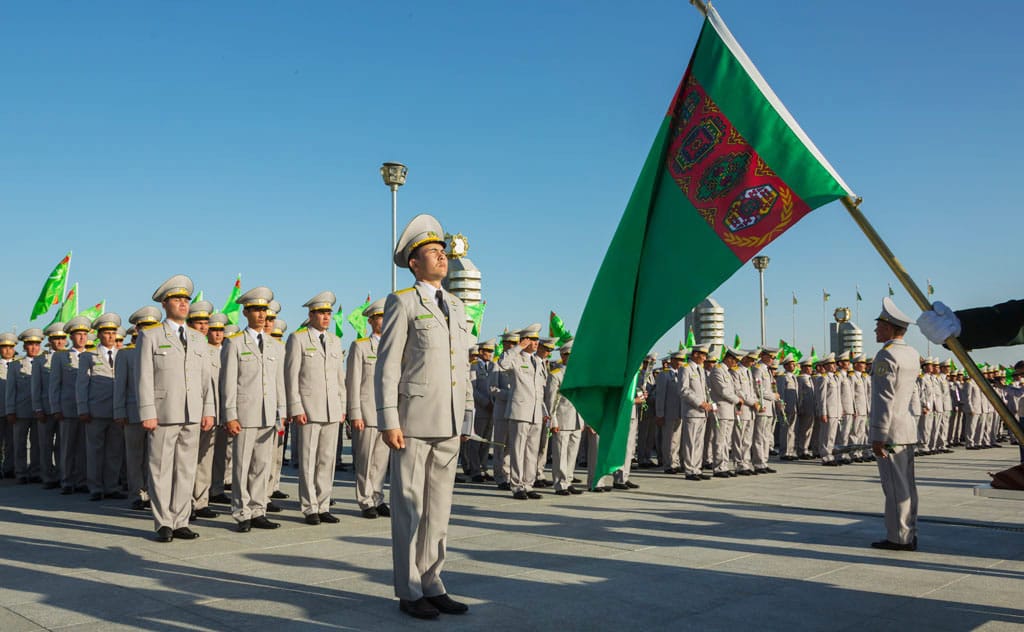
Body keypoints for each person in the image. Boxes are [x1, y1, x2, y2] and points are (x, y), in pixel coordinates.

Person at [375, 213, 473, 619]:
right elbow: (387, 365)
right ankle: (410, 588)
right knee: (409, 510)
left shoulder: (457, 306)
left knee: (439, 511)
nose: (441, 256)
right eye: (432, 252)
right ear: (414, 263)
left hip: (448, 421)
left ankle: (433, 581)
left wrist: (466, 417)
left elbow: (462, 366)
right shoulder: (403, 302)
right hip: (413, 421)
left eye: (442, 251)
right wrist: (388, 419)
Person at [137, 275, 216, 543]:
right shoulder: (150, 335)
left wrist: (208, 410)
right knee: (160, 468)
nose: (183, 304)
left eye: (185, 299)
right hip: (163, 412)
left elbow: (206, 379)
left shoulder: (198, 339)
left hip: (192, 412)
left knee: (186, 469)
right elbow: (144, 376)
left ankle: (181, 520)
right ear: (164, 303)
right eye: (177, 299)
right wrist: (147, 411)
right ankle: (163, 522)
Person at [221, 286, 286, 533]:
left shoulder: (275, 345)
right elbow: (228, 382)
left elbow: (279, 382)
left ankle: (259, 509)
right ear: (245, 312)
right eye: (256, 310)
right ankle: (242, 512)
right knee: (241, 466)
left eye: (263, 310)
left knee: (262, 465)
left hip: (268, 414)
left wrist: (281, 412)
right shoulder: (235, 343)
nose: (261, 315)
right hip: (245, 413)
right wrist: (230, 415)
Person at [286, 290, 347, 525]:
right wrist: (296, 407)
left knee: (327, 461)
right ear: (311, 315)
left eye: (328, 313)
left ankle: (323, 504)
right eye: (321, 313)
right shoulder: (298, 339)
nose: (326, 317)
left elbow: (339, 378)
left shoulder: (334, 341)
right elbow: (292, 376)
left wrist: (343, 406)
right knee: (309, 461)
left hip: (332, 409)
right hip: (309, 410)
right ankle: (309, 507)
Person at [870, 297, 921, 551]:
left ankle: (899, 537)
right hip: (906, 429)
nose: (875, 330)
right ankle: (909, 531)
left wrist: (878, 434)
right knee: (907, 485)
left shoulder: (886, 355)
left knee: (893, 486)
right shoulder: (912, 353)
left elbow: (884, 398)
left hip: (891, 432)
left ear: (889, 328)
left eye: (879, 326)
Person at [345, 297, 391, 519]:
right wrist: (355, 413)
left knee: (381, 461)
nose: (383, 321)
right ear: (371, 321)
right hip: (367, 411)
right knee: (365, 460)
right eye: (379, 317)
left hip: (387, 414)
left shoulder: (393, 347)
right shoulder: (361, 346)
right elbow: (353, 381)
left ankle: (377, 497)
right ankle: (365, 500)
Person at [77, 312, 125, 501]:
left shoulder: (122, 355)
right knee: (94, 451)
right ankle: (95, 487)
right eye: (106, 332)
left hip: (117, 411)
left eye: (113, 332)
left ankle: (111, 486)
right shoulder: (88, 356)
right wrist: (83, 409)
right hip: (95, 411)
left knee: (114, 451)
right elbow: (82, 385)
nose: (111, 336)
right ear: (98, 335)